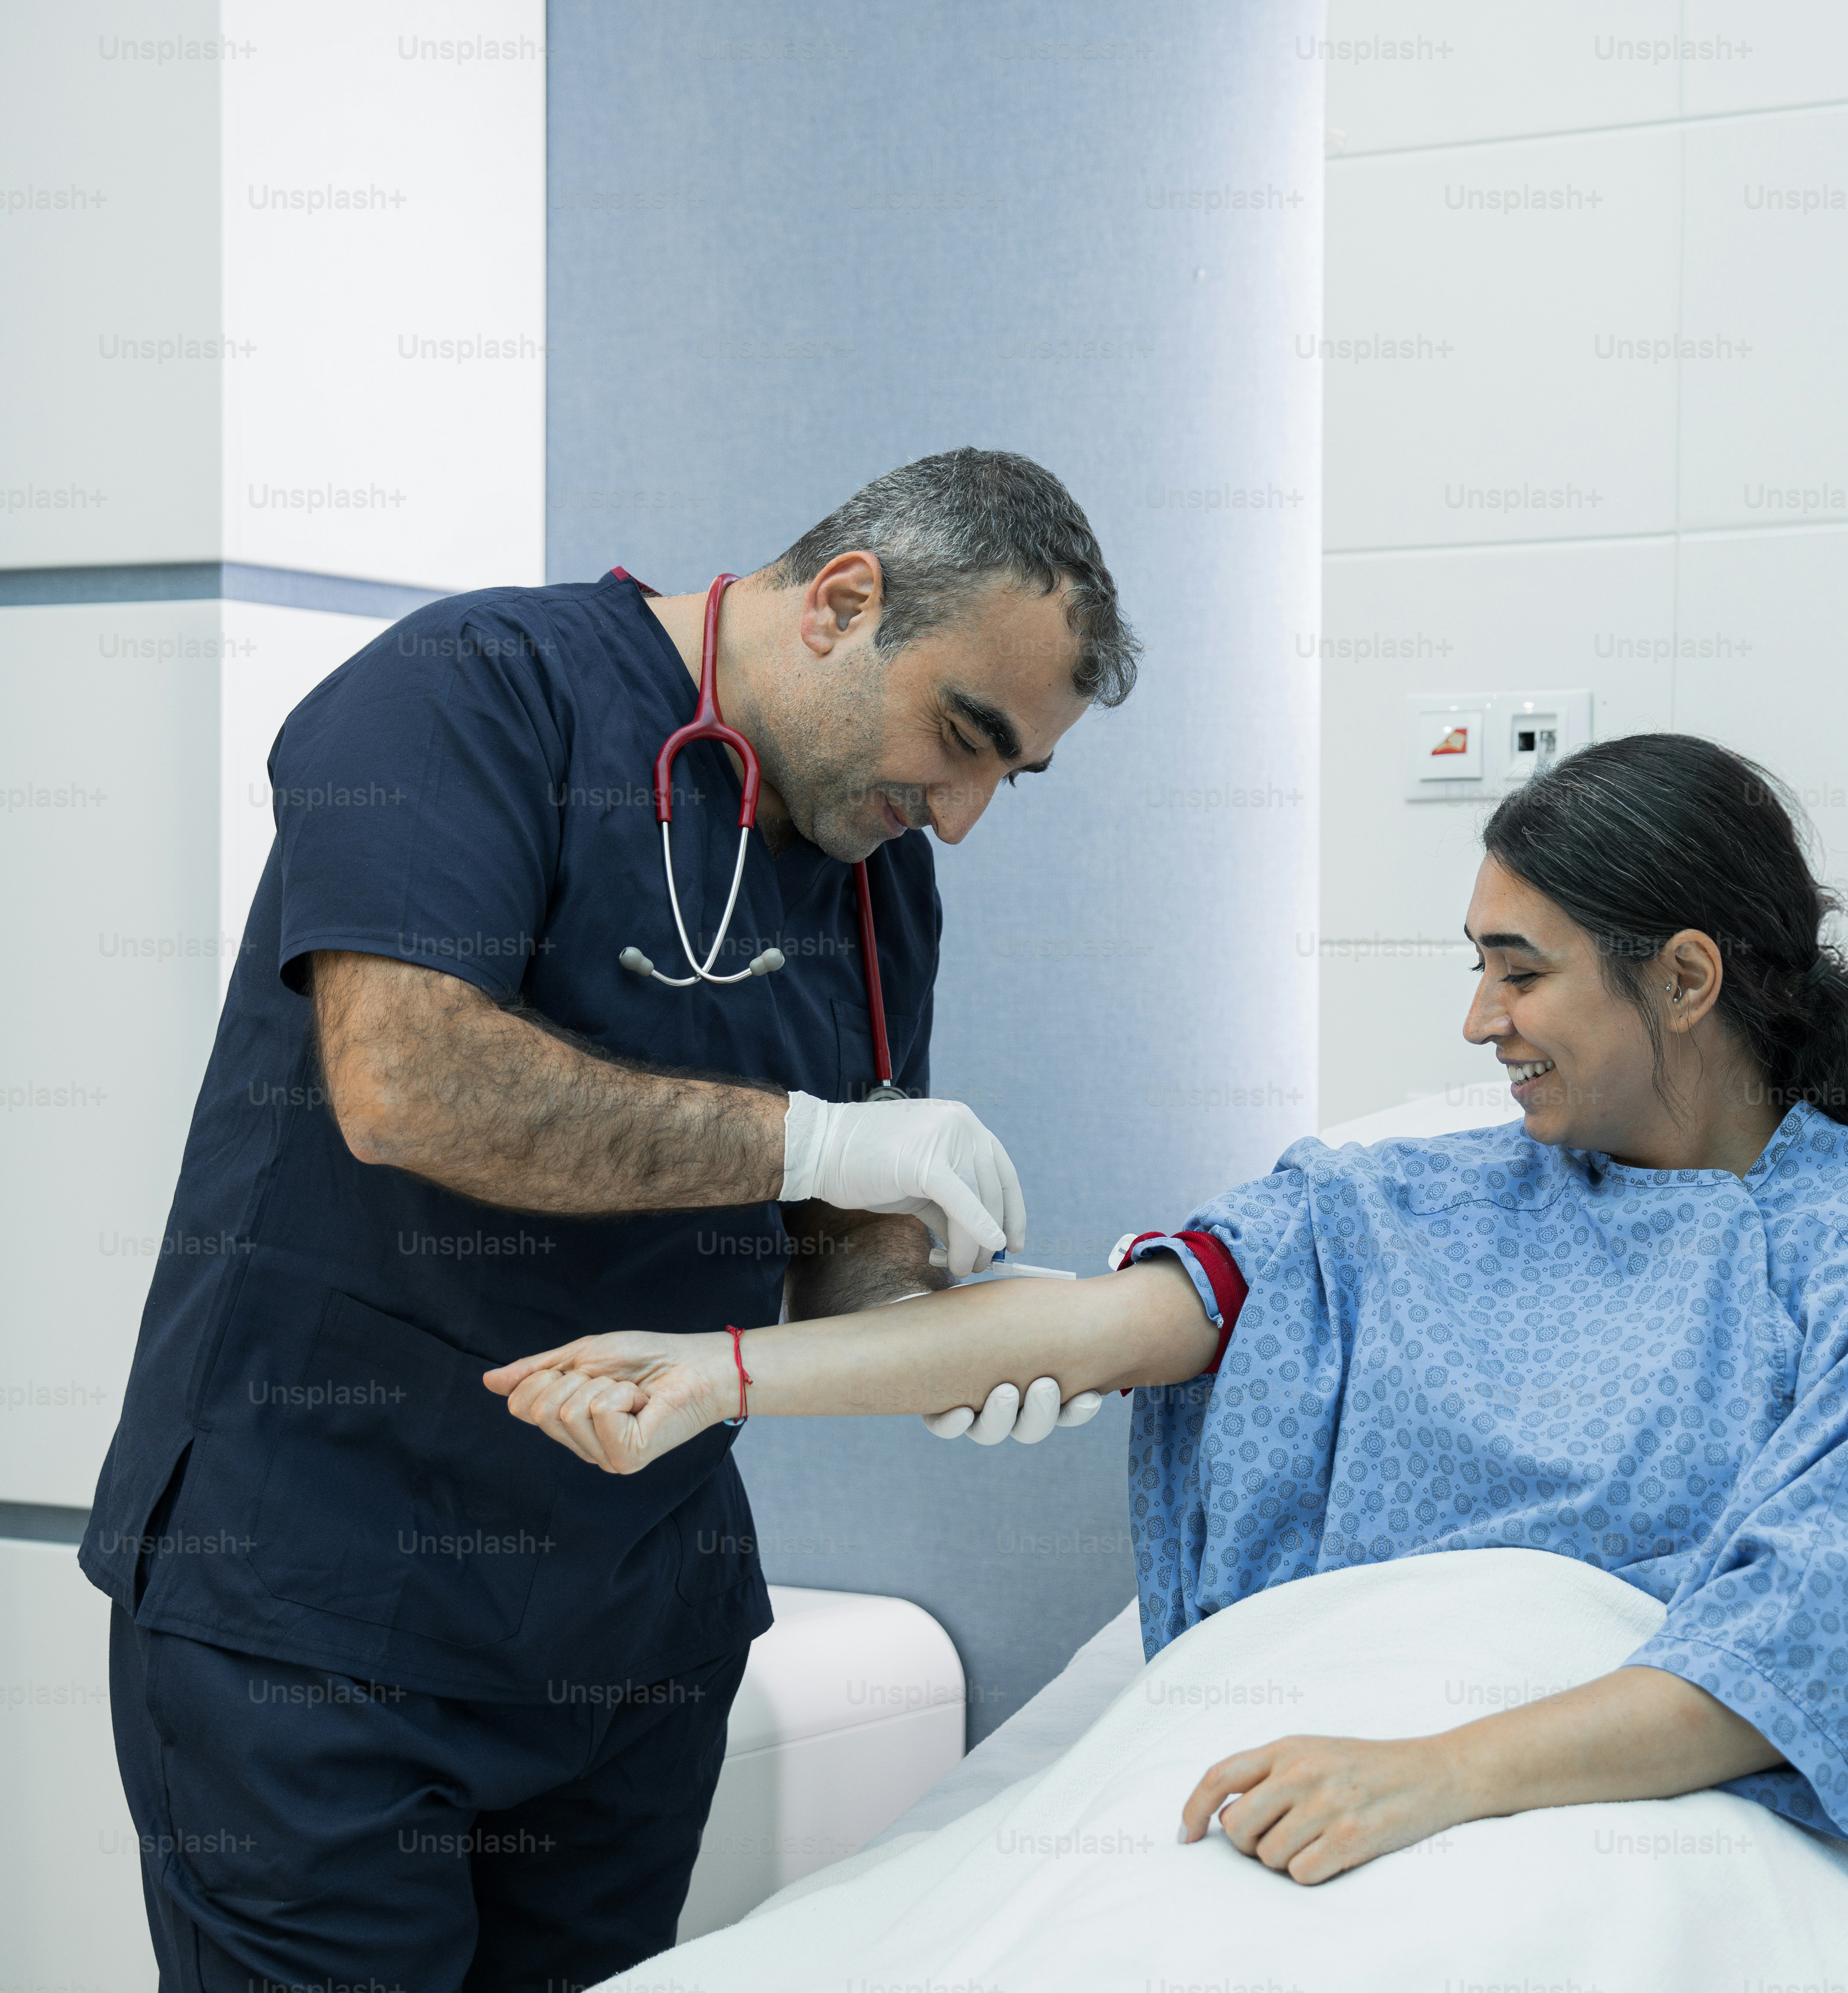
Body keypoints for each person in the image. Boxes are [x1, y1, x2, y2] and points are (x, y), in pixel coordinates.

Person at [490, 731, 1848, 1906]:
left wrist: (1434, 1773)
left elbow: (1808, 1658)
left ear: (1682, 977)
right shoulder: (1403, 1207)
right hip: (1300, 1758)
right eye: (1473, 964)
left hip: (1583, 1805)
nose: (1477, 1019)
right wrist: (715, 1373)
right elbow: (1091, 1328)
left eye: (1520, 969)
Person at [79, 448, 1138, 1993]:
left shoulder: (873, 873)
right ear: (844, 603)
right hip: (321, 1604)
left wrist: (960, 1330)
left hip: (637, 1634)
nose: (961, 816)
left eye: (1009, 777)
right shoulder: (472, 690)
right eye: (962, 739)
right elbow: (408, 1086)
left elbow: (830, 1258)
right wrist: (812, 1133)